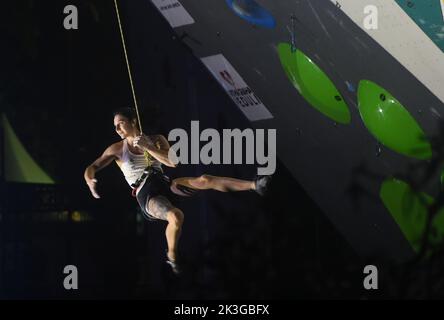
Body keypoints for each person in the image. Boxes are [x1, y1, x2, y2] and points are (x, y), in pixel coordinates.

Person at [84, 108, 271, 274]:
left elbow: (173, 162)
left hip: (165, 184)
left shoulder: (157, 140)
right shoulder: (117, 149)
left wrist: (148, 146)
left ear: (133, 121)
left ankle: (255, 186)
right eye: (115, 126)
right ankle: (172, 254)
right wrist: (90, 180)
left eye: (121, 123)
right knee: (175, 216)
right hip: (146, 194)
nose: (117, 129)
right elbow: (92, 166)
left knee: (204, 179)